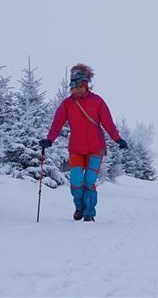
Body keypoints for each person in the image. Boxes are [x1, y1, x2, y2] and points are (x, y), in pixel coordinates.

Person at [39, 63, 128, 222]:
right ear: (71, 86)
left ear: (86, 85)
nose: (78, 89)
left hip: (96, 149)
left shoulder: (97, 101)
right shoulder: (67, 104)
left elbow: (108, 123)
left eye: (81, 86)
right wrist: (49, 140)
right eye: (75, 86)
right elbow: (57, 124)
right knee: (75, 181)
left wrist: (118, 139)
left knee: (89, 182)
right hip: (76, 149)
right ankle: (79, 207)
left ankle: (89, 213)